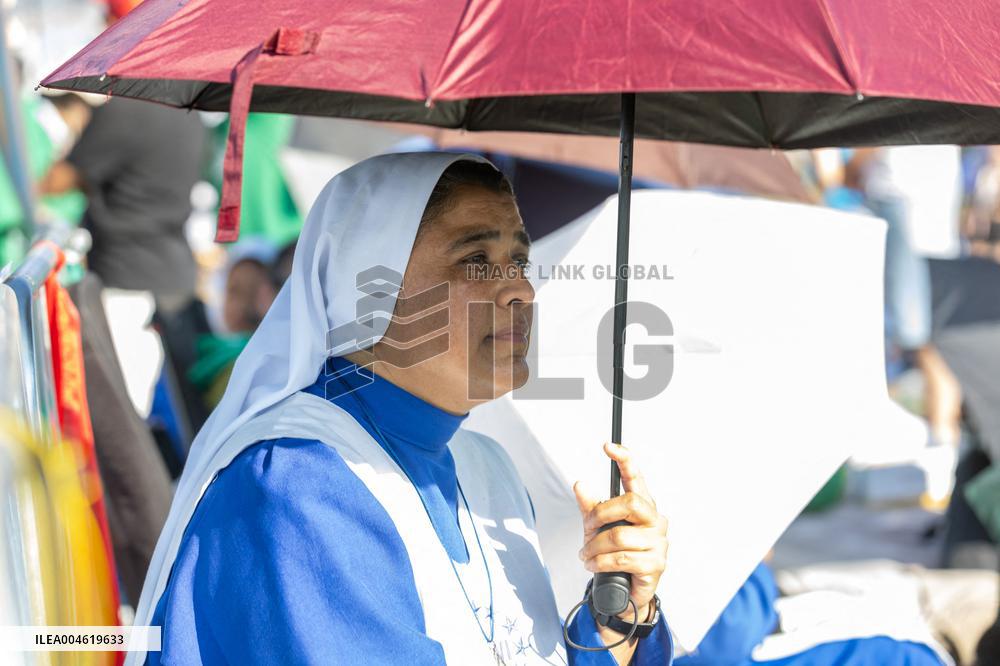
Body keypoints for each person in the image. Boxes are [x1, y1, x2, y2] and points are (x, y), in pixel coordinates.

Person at [129, 153, 673, 665]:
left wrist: (622, 610)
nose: (519, 292)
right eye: (476, 260)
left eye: (519, 259)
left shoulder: (487, 467)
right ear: (368, 289)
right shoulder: (298, 481)